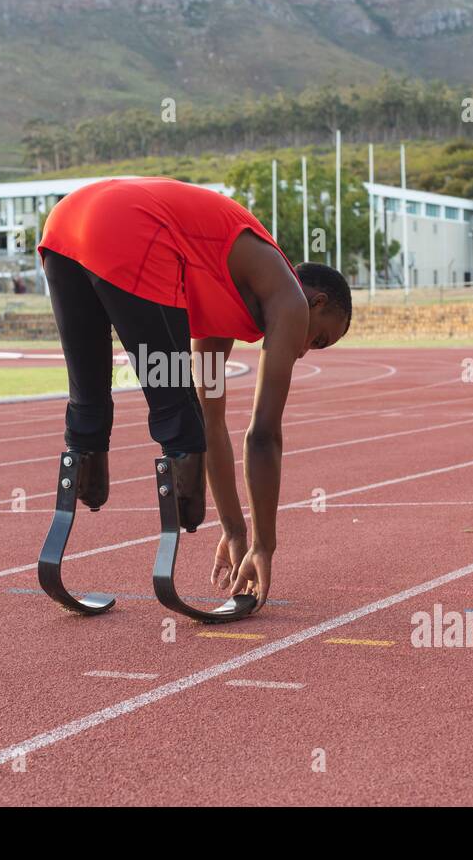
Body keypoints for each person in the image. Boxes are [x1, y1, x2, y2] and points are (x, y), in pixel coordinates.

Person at [37, 177, 352, 611]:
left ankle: (72, 508)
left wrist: (236, 531)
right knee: (176, 410)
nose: (302, 350)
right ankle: (179, 525)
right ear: (315, 303)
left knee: (92, 401)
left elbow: (215, 421)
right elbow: (263, 435)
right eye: (319, 340)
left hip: (65, 224)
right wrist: (265, 546)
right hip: (126, 226)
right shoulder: (290, 300)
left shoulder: (226, 299)